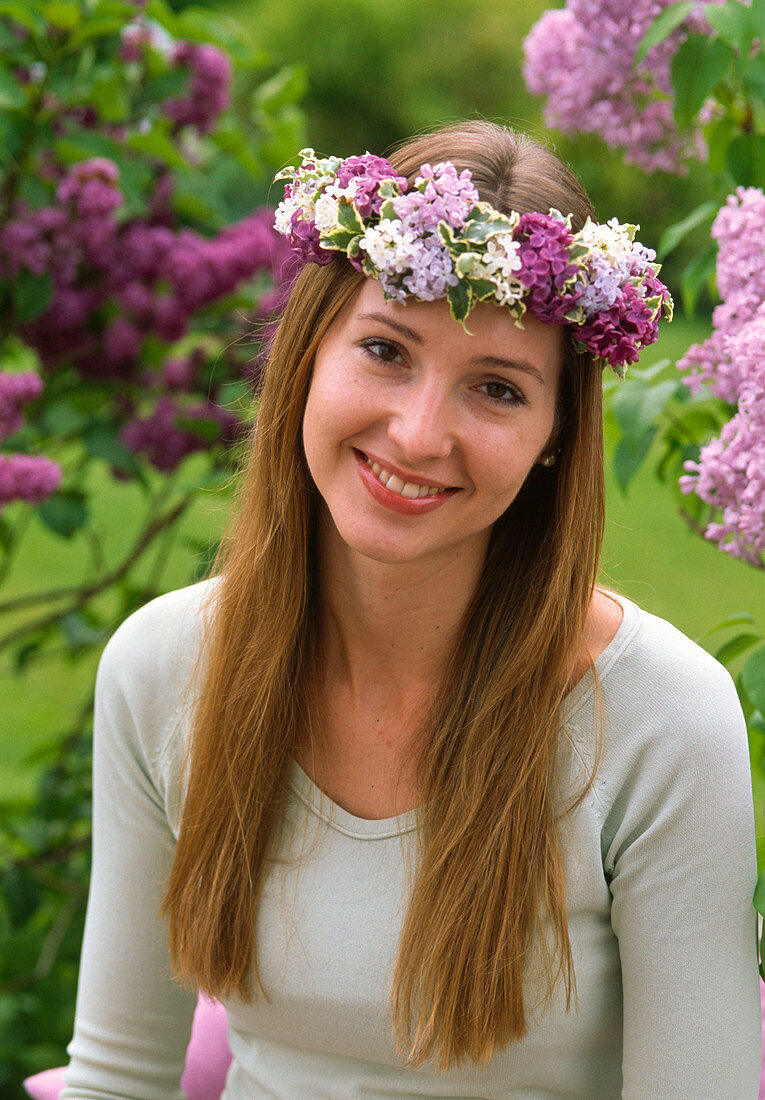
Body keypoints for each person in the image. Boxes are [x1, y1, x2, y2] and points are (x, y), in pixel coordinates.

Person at [61, 121, 762, 1099]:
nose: (421, 432)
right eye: (386, 348)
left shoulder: (662, 720)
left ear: (556, 434)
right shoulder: (165, 665)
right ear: (309, 353)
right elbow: (117, 1078)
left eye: (497, 388)